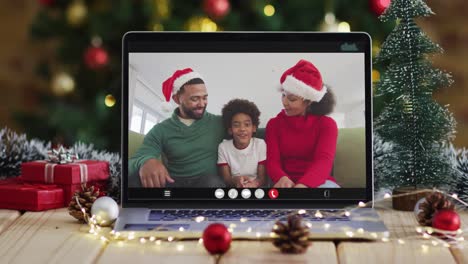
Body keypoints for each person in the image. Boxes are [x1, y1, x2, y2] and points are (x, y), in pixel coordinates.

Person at [129, 68, 225, 188]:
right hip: (173, 184)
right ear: (176, 99)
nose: (201, 104)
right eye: (195, 99)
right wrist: (146, 161)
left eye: (204, 98)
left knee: (213, 183)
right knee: (134, 179)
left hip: (207, 185)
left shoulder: (219, 122)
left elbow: (253, 131)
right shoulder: (160, 129)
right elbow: (134, 160)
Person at [265, 59, 340, 188]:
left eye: (292, 99)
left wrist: (304, 185)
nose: (284, 102)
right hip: (285, 183)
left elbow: (324, 161)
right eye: (283, 95)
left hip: (318, 182)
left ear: (309, 101)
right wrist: (282, 178)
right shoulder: (274, 124)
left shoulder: (327, 125)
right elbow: (272, 161)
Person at [217, 99, 267, 188]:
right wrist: (236, 180)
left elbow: (262, 179)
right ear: (230, 130)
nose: (242, 129)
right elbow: (227, 179)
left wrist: (254, 184)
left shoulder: (260, 144)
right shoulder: (223, 147)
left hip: (256, 186)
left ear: (254, 128)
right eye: (236, 125)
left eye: (247, 125)